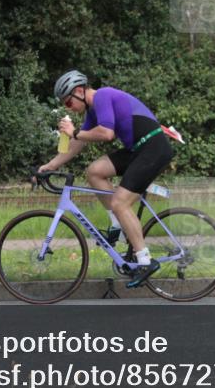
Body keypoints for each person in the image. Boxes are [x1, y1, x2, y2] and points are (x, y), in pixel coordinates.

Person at [38, 70, 174, 288]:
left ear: (80, 91)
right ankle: (117, 224)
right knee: (94, 171)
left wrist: (74, 133)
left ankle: (144, 261)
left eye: (68, 102)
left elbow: (106, 133)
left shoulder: (102, 96)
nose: (68, 108)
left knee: (121, 202)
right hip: (138, 149)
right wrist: (51, 165)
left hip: (153, 148)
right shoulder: (92, 111)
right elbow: (78, 143)